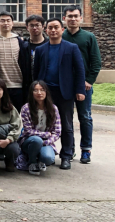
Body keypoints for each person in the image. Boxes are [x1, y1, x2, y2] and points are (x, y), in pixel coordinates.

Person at [33, 17, 85, 170]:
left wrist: (80, 90)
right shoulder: (41, 49)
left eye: (56, 27)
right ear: (46, 30)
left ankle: (66, 155)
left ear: (62, 30)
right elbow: (36, 72)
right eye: (50, 28)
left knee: (66, 125)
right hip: (45, 93)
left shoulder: (72, 48)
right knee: (42, 123)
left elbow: (79, 70)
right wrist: (35, 90)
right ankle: (41, 153)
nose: (53, 30)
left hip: (65, 92)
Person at [61, 5, 101, 165]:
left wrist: (89, 80)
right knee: (66, 119)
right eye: (69, 16)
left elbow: (96, 62)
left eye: (75, 16)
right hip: (64, 85)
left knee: (85, 117)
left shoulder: (88, 37)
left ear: (81, 18)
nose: (73, 19)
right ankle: (69, 149)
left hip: (84, 86)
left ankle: (86, 149)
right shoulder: (60, 36)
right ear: (64, 18)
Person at [0, 11, 32, 109]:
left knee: (17, 113)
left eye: (8, 20)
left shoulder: (21, 42)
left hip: (18, 86)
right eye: (2, 21)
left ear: (12, 23)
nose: (6, 23)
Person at [19, 81, 61, 176]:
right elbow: (28, 131)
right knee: (36, 140)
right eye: (35, 90)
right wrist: (46, 134)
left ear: (46, 92)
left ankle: (40, 160)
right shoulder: (26, 108)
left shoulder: (53, 109)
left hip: (46, 142)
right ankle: (32, 162)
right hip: (29, 140)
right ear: (31, 93)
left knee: (48, 158)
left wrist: (46, 142)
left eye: (42, 90)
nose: (39, 93)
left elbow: (57, 132)